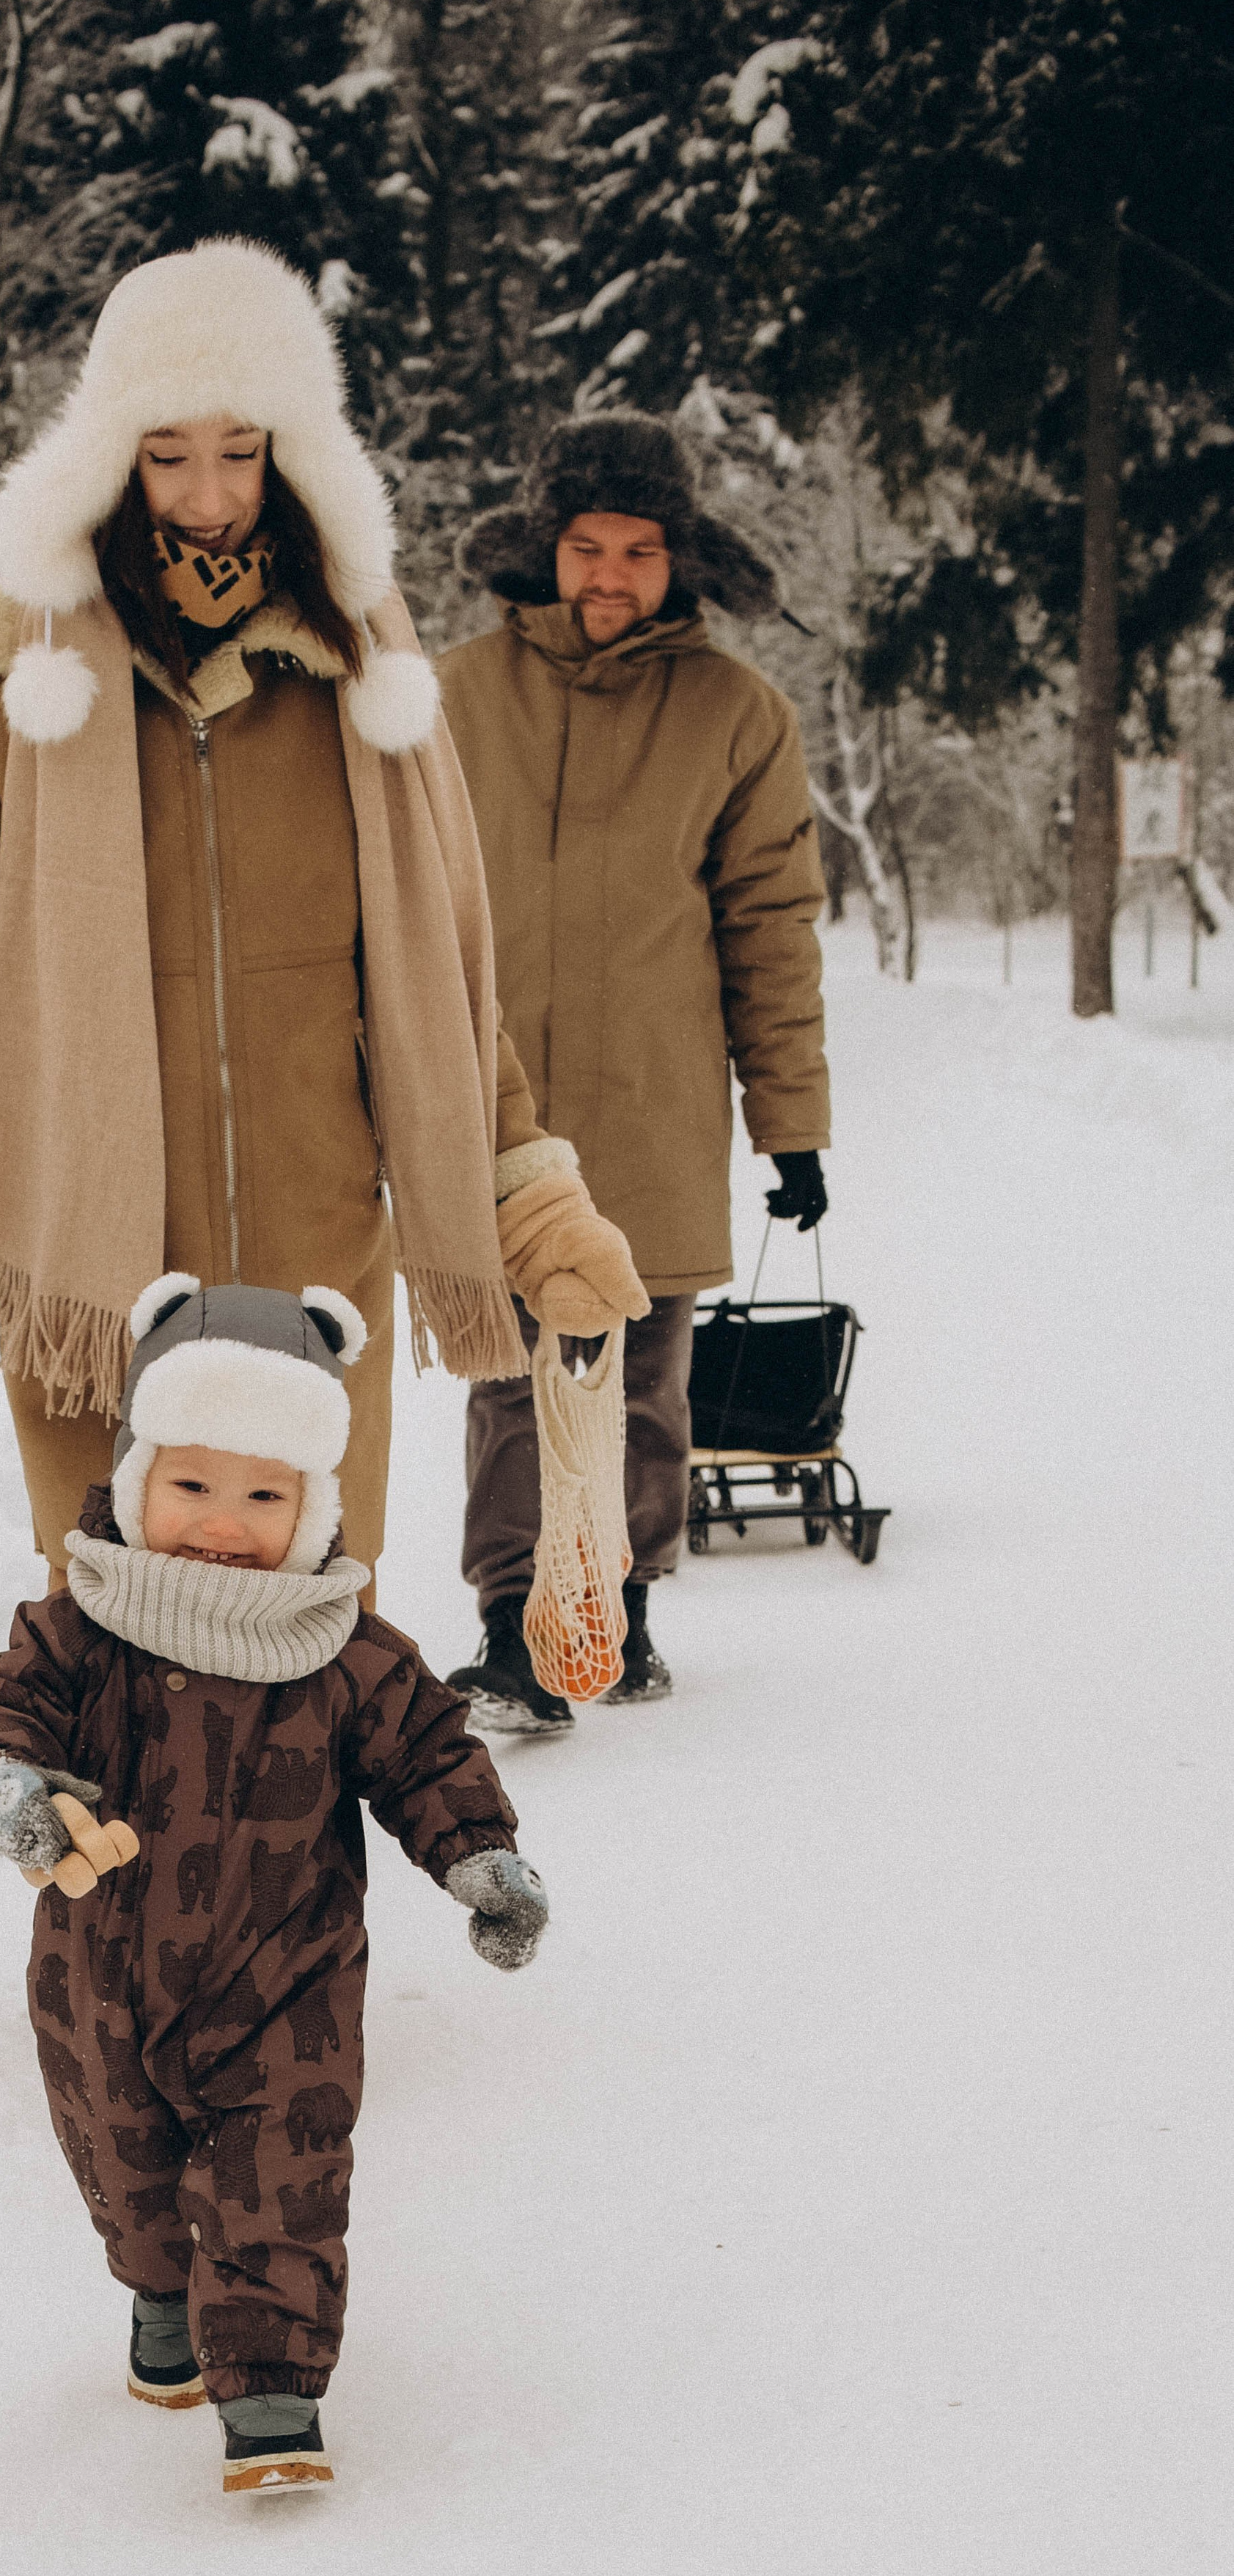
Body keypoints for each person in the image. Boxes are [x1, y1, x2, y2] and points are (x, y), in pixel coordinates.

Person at [0, 241, 646, 1587]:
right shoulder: (2, 677)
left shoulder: (366, 668)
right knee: (110, 1668)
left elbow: (439, 975)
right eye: (167, 453)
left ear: (294, 457)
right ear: (111, 453)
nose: (206, 497)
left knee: (306, 1666)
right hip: (91, 1269)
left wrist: (532, 1209)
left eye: (241, 453)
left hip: (313, 1276)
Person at [0, 1276, 551, 2496]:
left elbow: (430, 1751)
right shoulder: (81, 1626)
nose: (224, 1523)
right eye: (192, 1485)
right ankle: (162, 2291)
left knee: (285, 2173)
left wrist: (478, 1858)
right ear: (134, 1479)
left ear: (315, 1505)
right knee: (125, 2163)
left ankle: (270, 2388)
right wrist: (5, 1788)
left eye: (266, 1494)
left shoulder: (343, 1647)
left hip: (290, 1980)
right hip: (99, 1976)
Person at [438, 413, 831, 1731]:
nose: (610, 575)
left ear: (682, 561)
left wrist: (794, 1131)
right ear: (546, 551)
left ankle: (622, 1607)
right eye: (587, 546)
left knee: (642, 1374)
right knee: (505, 1374)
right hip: (496, 1111)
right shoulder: (447, 698)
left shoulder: (739, 715)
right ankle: (512, 1622)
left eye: (640, 551)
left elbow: (771, 928)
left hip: (658, 1109)